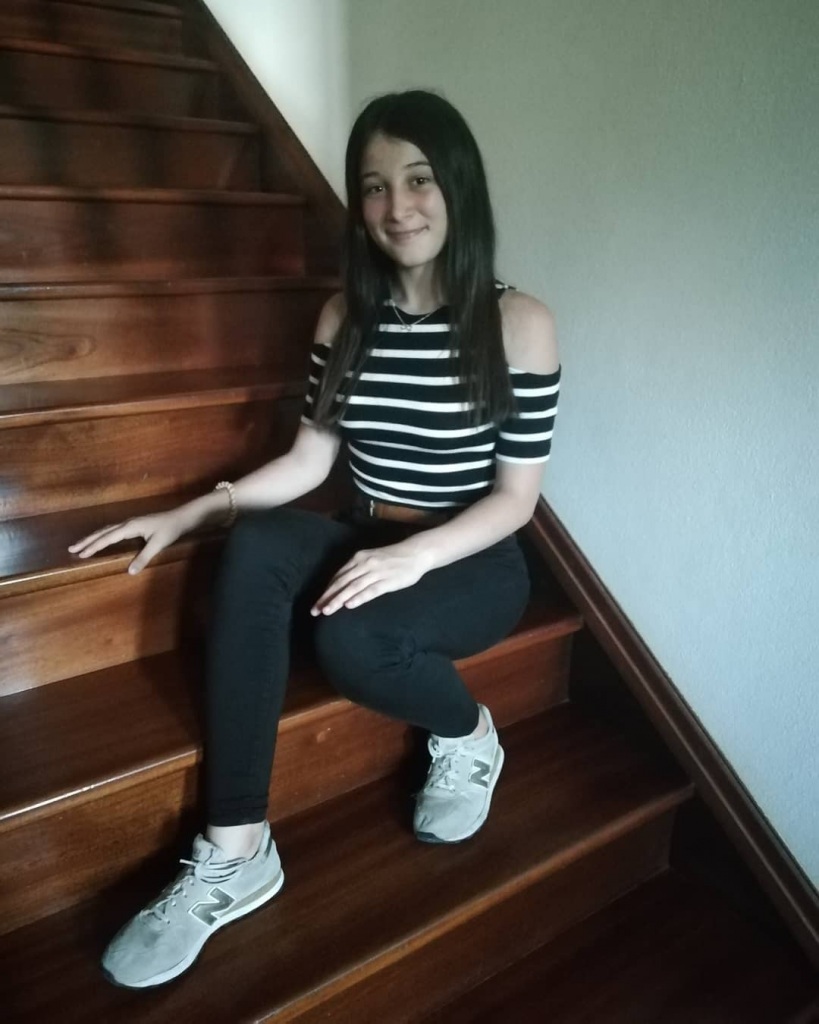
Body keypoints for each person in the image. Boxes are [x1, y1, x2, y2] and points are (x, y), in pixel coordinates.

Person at [69, 89, 560, 989]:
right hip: (365, 532)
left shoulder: (518, 323)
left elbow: (516, 499)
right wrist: (192, 511)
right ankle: (236, 850)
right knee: (255, 544)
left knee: (350, 640)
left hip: (470, 558)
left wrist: (413, 556)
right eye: (373, 186)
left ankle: (467, 734)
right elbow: (308, 460)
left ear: (458, 187)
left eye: (417, 179)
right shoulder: (344, 318)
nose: (396, 206)